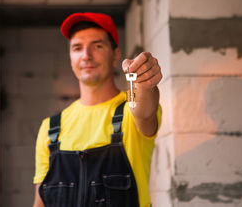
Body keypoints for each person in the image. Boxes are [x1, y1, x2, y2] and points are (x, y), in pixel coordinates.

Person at [32, 12, 162, 207]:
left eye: (97, 46)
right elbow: (40, 202)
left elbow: (144, 110)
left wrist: (144, 84)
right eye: (77, 48)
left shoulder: (129, 112)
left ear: (115, 54)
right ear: (70, 57)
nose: (86, 55)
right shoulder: (50, 129)